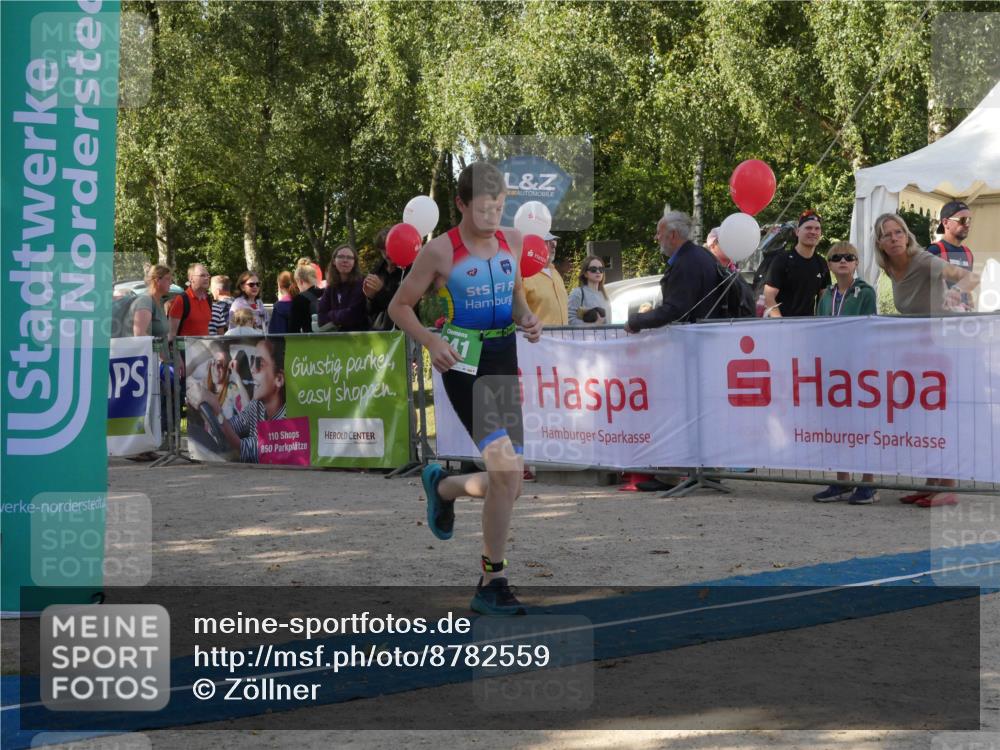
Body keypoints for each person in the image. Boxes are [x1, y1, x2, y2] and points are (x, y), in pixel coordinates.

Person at [388, 161, 542, 616]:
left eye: (499, 206)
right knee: (508, 472)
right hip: (462, 363)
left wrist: (527, 318)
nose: (492, 216)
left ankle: (445, 488)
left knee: (509, 483)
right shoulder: (438, 252)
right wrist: (431, 341)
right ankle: (492, 581)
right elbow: (400, 307)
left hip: (503, 359)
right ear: (460, 204)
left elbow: (515, 301)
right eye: (483, 208)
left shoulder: (513, 241)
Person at [874, 212, 979, 508]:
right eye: (886, 235)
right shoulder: (890, 270)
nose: (893, 238)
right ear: (879, 243)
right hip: (917, 354)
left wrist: (955, 294)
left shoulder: (922, 260)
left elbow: (970, 277)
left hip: (943, 351)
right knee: (923, 421)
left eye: (898, 232)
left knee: (939, 420)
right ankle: (932, 483)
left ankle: (948, 487)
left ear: (907, 236)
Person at [811, 242, 879, 505]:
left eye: (848, 257)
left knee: (862, 426)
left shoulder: (865, 292)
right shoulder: (826, 295)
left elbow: (869, 329)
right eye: (836, 257)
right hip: (832, 369)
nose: (842, 261)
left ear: (856, 263)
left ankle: (869, 483)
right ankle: (841, 481)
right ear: (829, 264)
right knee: (837, 427)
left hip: (859, 369)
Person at [624, 209, 722, 332]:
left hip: (695, 341)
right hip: (706, 337)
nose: (656, 238)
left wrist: (636, 321)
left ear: (673, 235)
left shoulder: (687, 262)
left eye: (659, 233)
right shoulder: (701, 255)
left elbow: (674, 310)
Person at [193, 337, 286, 463]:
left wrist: (216, 411)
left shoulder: (287, 418)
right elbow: (232, 426)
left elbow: (243, 448)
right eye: (252, 360)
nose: (252, 369)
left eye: (259, 363)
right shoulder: (257, 406)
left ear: (278, 379)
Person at [762, 210, 830, 317]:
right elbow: (768, 296)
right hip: (783, 326)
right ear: (797, 232)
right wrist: (780, 323)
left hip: (808, 328)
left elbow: (824, 299)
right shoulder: (782, 259)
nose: (813, 232)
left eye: (817, 229)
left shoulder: (821, 263)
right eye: (808, 228)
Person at [928, 200, 975, 309]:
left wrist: (971, 308)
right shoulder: (934, 251)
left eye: (969, 220)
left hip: (963, 318)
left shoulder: (968, 253)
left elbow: (967, 288)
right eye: (963, 220)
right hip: (941, 317)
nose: (967, 225)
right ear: (945, 222)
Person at [318, 245, 368, 331]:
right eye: (341, 257)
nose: (345, 260)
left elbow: (352, 316)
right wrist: (340, 315)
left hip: (359, 338)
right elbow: (321, 318)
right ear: (334, 261)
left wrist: (330, 314)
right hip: (337, 339)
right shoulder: (331, 287)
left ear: (354, 262)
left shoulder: (362, 284)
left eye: (349, 257)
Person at [523, 231, 569, 325]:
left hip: (563, 338)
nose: (554, 246)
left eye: (554, 242)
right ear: (534, 245)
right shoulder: (525, 275)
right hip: (538, 338)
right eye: (548, 242)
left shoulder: (555, 272)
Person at [363, 226, 404, 331]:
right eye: (382, 250)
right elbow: (370, 311)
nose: (386, 254)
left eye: (389, 248)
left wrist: (381, 290)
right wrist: (370, 298)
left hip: (403, 332)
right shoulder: (377, 271)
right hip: (379, 334)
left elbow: (405, 306)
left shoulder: (408, 270)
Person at [168, 263, 213, 342]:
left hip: (204, 350)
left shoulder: (208, 299)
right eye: (202, 275)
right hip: (185, 351)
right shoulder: (181, 300)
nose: (206, 278)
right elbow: (171, 334)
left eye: (208, 275)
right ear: (191, 278)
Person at [130, 264, 173, 341]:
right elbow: (139, 335)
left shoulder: (159, 301)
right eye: (168, 279)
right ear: (157, 280)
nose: (171, 283)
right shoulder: (145, 301)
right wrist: (158, 351)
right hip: (150, 353)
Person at [567, 255, 611, 325]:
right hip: (584, 335)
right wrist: (593, 325)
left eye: (601, 269)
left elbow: (608, 323)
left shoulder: (605, 296)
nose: (598, 272)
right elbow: (570, 320)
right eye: (593, 269)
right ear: (585, 273)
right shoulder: (577, 293)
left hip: (602, 335)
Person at [290, 264, 321, 333]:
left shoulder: (299, 299)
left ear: (300, 281)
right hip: (331, 339)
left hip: (310, 341)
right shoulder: (326, 293)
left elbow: (293, 330)